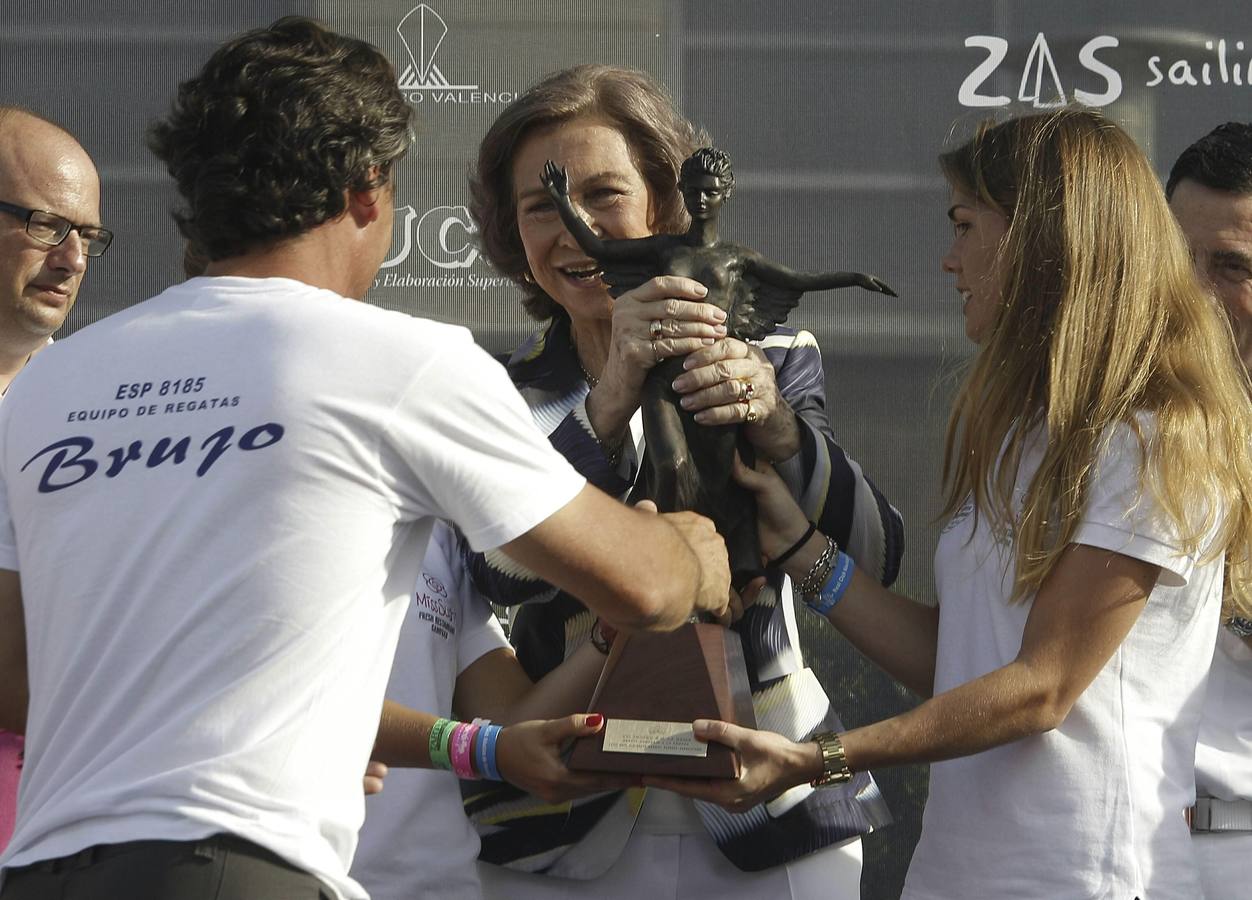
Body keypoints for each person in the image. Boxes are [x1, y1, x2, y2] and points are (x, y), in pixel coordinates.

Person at [0, 19, 732, 900]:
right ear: (367, 191)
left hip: (41, 870)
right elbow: (642, 589)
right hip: (241, 868)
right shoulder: (400, 359)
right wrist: (687, 548)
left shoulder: (50, 384)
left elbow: (13, 681)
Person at [650, 108, 1252, 900]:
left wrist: (818, 759)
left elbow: (1041, 686)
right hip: (959, 874)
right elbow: (961, 662)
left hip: (1088, 882)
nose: (948, 258)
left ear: (1044, 241)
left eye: (966, 225)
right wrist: (804, 552)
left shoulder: (1155, 435)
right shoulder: (1026, 431)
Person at [462, 64, 903, 899]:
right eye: (544, 207)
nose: (576, 229)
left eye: (607, 194)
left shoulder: (774, 357)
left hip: (772, 802)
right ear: (511, 231)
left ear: (665, 205)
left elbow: (876, 551)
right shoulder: (493, 392)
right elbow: (497, 573)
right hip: (559, 825)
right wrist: (607, 400)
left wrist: (776, 425)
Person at [0, 106, 111, 851]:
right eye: (44, 225)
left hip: (67, 817)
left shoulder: (110, 412)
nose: (71, 258)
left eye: (88, 236)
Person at [1165, 120, 1252, 900]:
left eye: (1230, 267)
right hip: (1123, 849)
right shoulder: (1106, 428)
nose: (1194, 294)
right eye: (1177, 260)